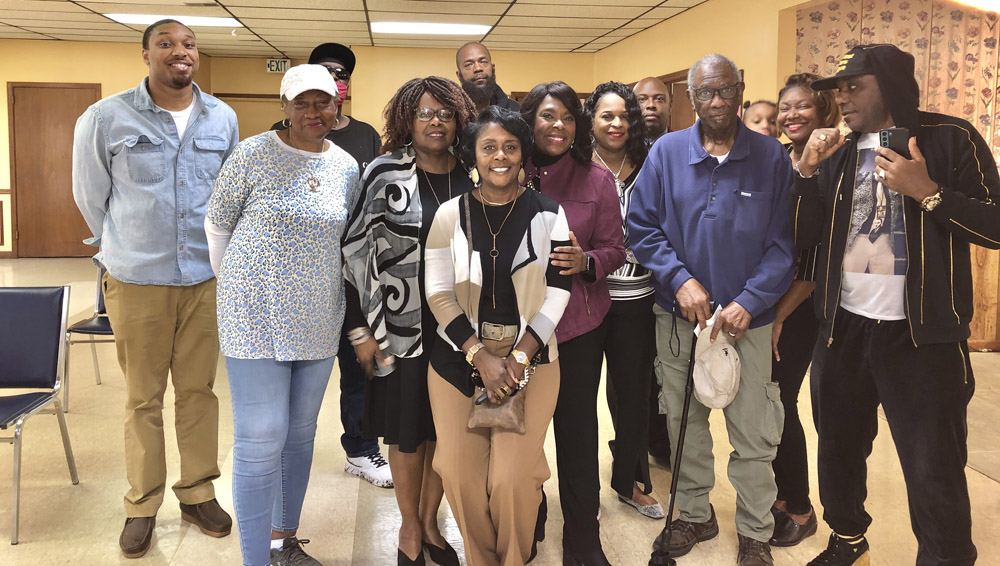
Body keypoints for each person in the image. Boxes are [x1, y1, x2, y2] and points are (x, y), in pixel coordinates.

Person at [793, 43, 997, 566]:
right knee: (837, 450)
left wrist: (927, 191)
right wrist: (806, 172)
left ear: (891, 84)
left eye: (854, 86)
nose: (842, 98)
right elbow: (804, 239)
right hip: (843, 330)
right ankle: (847, 540)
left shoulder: (950, 138)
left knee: (933, 466)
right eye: (838, 89)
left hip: (921, 337)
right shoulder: (837, 149)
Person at [71, 19, 237, 559]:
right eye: (165, 44)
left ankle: (197, 493)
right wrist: (119, 245)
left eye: (187, 44)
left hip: (204, 279)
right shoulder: (106, 117)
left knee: (198, 393)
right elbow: (90, 195)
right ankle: (141, 505)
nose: (179, 52)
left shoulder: (222, 117)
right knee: (143, 398)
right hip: (137, 279)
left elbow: (230, 196)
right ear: (145, 54)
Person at [628, 53, 796, 566]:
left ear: (741, 89)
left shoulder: (771, 158)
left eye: (725, 90)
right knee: (685, 424)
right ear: (693, 97)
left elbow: (783, 245)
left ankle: (755, 530)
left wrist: (750, 301)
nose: (716, 101)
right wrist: (679, 281)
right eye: (705, 93)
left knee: (755, 434)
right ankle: (696, 514)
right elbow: (642, 227)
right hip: (680, 319)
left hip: (748, 321)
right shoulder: (666, 152)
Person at [205, 64, 359, 566]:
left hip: (319, 316)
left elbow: (349, 242)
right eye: (301, 103)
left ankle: (283, 541)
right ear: (284, 106)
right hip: (256, 317)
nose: (312, 112)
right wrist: (237, 289)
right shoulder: (253, 153)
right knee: (260, 437)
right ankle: (255, 559)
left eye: (322, 102)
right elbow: (217, 225)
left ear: (337, 106)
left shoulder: (347, 166)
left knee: (299, 434)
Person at [424, 105, 572, 566]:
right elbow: (438, 293)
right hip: (457, 359)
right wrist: (479, 357)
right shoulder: (449, 215)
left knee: (512, 478)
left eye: (511, 146)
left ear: (524, 154)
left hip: (532, 360)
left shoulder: (551, 215)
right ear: (473, 155)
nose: (500, 156)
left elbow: (559, 290)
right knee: (460, 475)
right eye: (489, 147)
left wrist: (520, 357)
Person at [342, 77, 477, 566]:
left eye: (444, 112)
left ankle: (431, 521)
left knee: (445, 432)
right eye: (424, 112)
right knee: (406, 432)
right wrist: (360, 330)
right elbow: (353, 252)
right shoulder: (383, 173)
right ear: (407, 119)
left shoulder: (474, 173)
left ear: (459, 119)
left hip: (460, 333)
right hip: (399, 330)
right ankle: (409, 527)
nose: (435, 121)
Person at [270, 41, 391, 489]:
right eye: (322, 71)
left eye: (339, 74)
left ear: (344, 86)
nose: (331, 79)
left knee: (360, 363)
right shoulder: (278, 136)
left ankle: (360, 449)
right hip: (300, 276)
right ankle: (281, 449)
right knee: (293, 372)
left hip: (354, 273)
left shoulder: (364, 136)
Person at [520, 81, 626, 566]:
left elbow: (615, 248)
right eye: (546, 115)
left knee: (577, 432)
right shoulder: (508, 170)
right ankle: (529, 518)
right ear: (530, 121)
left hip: (578, 327)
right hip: (517, 330)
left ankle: (583, 538)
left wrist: (587, 262)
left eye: (566, 116)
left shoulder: (596, 179)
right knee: (524, 432)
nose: (557, 125)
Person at [767, 72, 840, 548]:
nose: (792, 115)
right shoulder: (781, 159)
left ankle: (799, 505)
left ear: (823, 111)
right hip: (768, 298)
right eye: (785, 107)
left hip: (800, 306)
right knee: (764, 402)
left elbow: (815, 257)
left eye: (803, 107)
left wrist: (777, 316)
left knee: (779, 400)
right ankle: (779, 493)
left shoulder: (832, 164)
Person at [583, 81, 662, 520]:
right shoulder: (576, 167)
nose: (616, 124)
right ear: (591, 120)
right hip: (587, 301)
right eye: (606, 115)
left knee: (633, 397)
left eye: (623, 115)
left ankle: (630, 480)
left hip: (638, 301)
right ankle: (581, 490)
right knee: (579, 400)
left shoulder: (651, 164)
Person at [456, 41, 520, 113]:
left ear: (493, 68)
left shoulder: (516, 111)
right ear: (459, 75)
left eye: (483, 62)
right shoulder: (451, 114)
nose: (478, 68)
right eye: (469, 64)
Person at [633, 77, 671, 142]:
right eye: (642, 99)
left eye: (659, 99)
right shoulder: (620, 148)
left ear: (670, 108)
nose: (651, 105)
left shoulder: (683, 146)